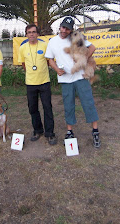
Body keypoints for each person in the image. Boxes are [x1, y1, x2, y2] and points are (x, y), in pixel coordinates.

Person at [45, 17, 101, 148]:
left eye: (67, 28)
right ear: (60, 27)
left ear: (71, 30)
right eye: (63, 27)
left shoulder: (76, 38)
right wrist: (57, 69)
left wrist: (84, 59)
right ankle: (69, 131)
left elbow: (92, 47)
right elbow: (49, 59)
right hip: (65, 79)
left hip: (81, 77)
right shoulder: (52, 42)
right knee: (68, 105)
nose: (64, 30)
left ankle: (95, 131)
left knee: (88, 102)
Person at [18, 24, 57, 145]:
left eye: (34, 32)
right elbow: (23, 64)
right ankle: (37, 130)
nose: (31, 34)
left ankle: (50, 133)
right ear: (26, 34)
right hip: (30, 83)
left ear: (38, 34)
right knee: (33, 108)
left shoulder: (45, 45)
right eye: (29, 32)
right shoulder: (22, 48)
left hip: (44, 82)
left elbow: (48, 61)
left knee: (47, 108)